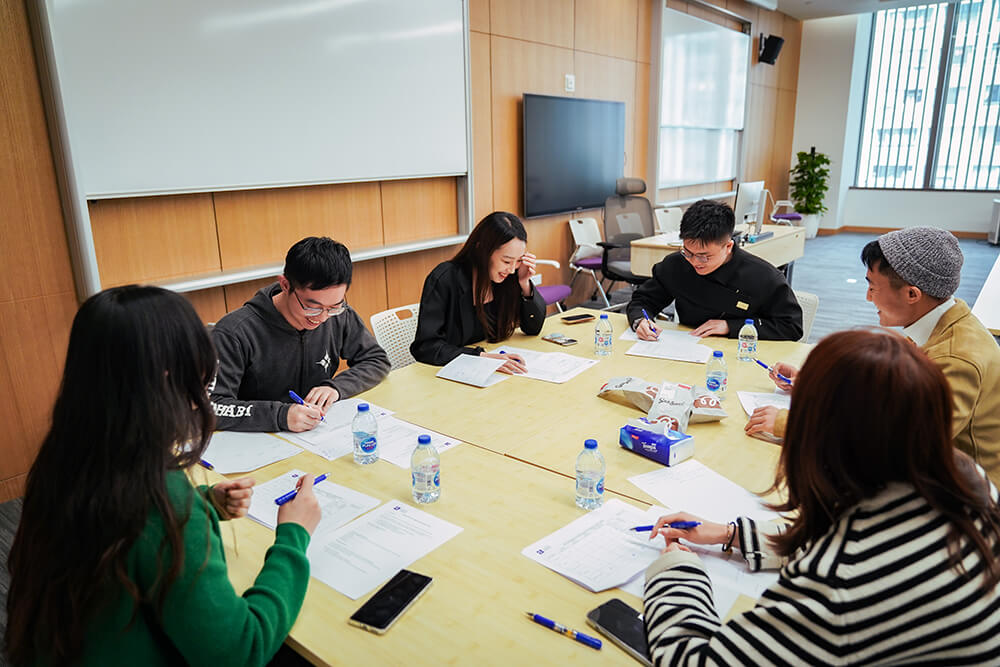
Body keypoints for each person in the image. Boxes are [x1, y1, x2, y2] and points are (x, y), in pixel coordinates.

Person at [5, 286, 322, 665]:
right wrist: (293, 537)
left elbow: (122, 531)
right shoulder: (163, 501)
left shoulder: (67, 457)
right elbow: (240, 651)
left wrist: (205, 504)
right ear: (171, 379)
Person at [644, 329, 1000, 665]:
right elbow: (868, 540)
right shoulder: (964, 479)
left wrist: (677, 572)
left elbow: (693, 660)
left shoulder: (839, 586)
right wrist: (733, 535)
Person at [746, 227, 1000, 484]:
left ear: (912, 294)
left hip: (968, 497)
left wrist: (795, 425)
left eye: (873, 287)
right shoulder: (937, 323)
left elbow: (900, 443)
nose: (867, 297)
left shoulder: (954, 358)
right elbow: (896, 398)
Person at [210, 237, 390, 433]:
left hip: (317, 435)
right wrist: (279, 416)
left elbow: (376, 360)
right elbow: (212, 407)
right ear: (285, 285)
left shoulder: (339, 316)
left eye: (334, 307)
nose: (322, 318)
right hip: (259, 441)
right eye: (312, 307)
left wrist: (335, 388)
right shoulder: (234, 332)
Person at [626, 199, 803, 341]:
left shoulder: (763, 277)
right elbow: (643, 301)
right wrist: (641, 320)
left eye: (704, 256)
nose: (695, 262)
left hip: (740, 353)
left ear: (728, 246)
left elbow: (791, 326)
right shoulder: (676, 265)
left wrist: (730, 326)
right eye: (688, 252)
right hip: (688, 346)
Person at [410, 211, 546, 372]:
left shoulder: (508, 277)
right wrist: (482, 358)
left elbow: (533, 328)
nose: (511, 269)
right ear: (482, 250)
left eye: (518, 261)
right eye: (506, 260)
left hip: (490, 373)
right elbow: (426, 348)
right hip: (451, 375)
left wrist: (524, 283)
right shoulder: (445, 279)